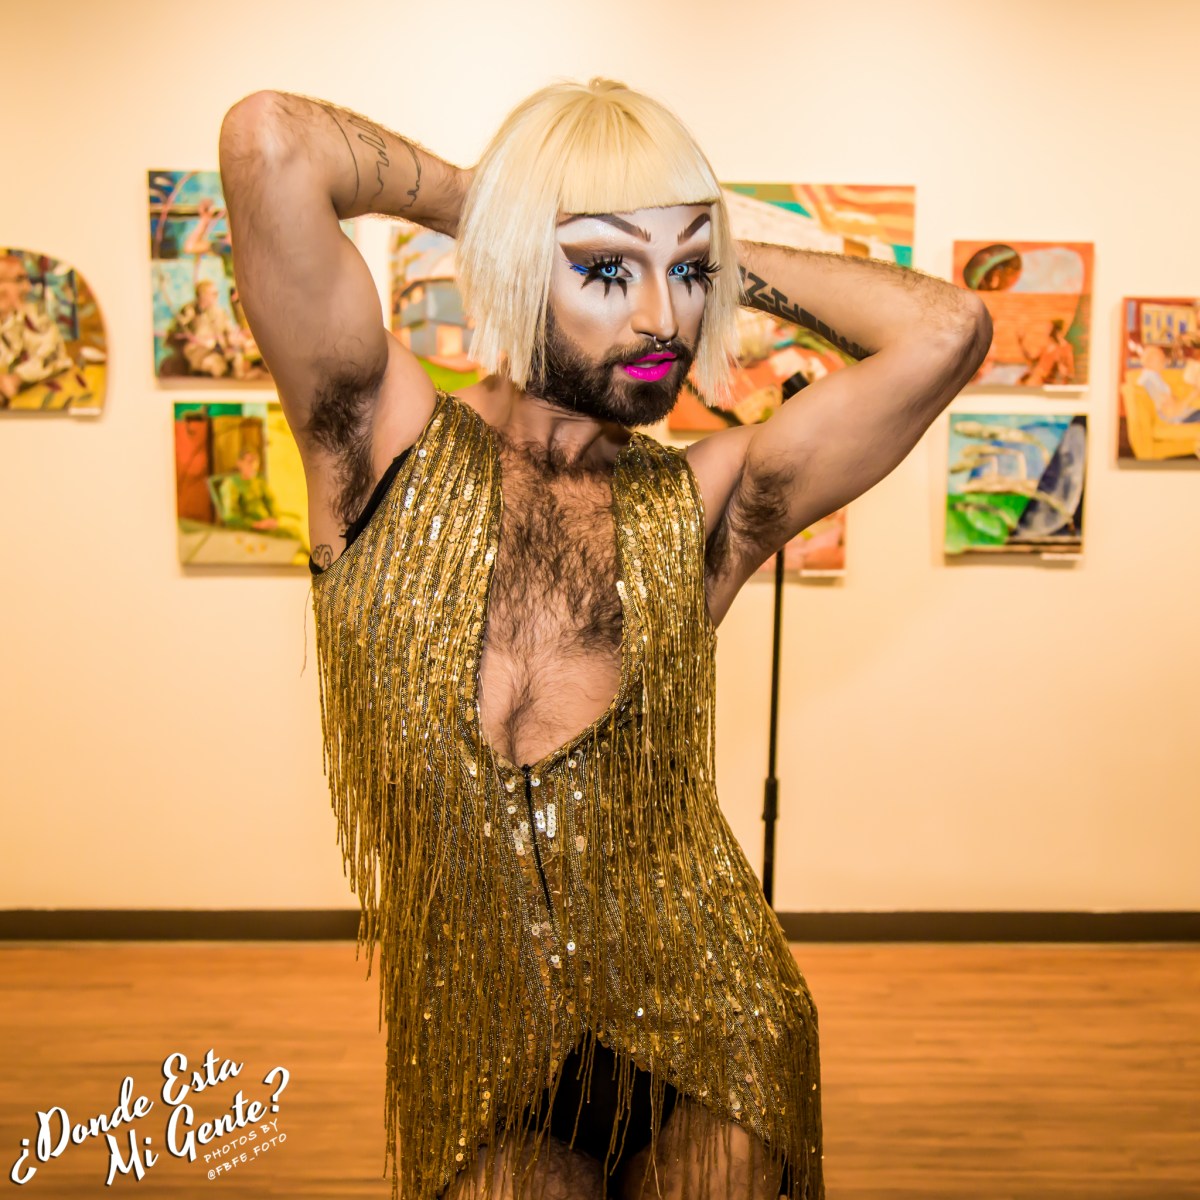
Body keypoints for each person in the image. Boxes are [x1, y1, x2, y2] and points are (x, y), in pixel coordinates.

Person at [218, 80, 989, 1200]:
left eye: (689, 274)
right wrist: (495, 206)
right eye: (606, 269)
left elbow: (947, 330)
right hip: (478, 1044)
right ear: (519, 262)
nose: (665, 319)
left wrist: (706, 248)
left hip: (713, 1023)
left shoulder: (705, 503)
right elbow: (270, 140)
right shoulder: (374, 443)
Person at [0, 253, 75, 406]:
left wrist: (16, 378)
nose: (28, 288)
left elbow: (52, 356)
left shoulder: (35, 317)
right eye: (19, 280)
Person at [1136, 344, 1200, 422]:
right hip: (1176, 418)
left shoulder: (1148, 377)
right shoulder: (1151, 381)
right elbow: (1172, 412)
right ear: (1150, 361)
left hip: (1179, 415)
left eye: (1163, 359)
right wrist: (1192, 395)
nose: (1164, 362)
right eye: (1161, 359)